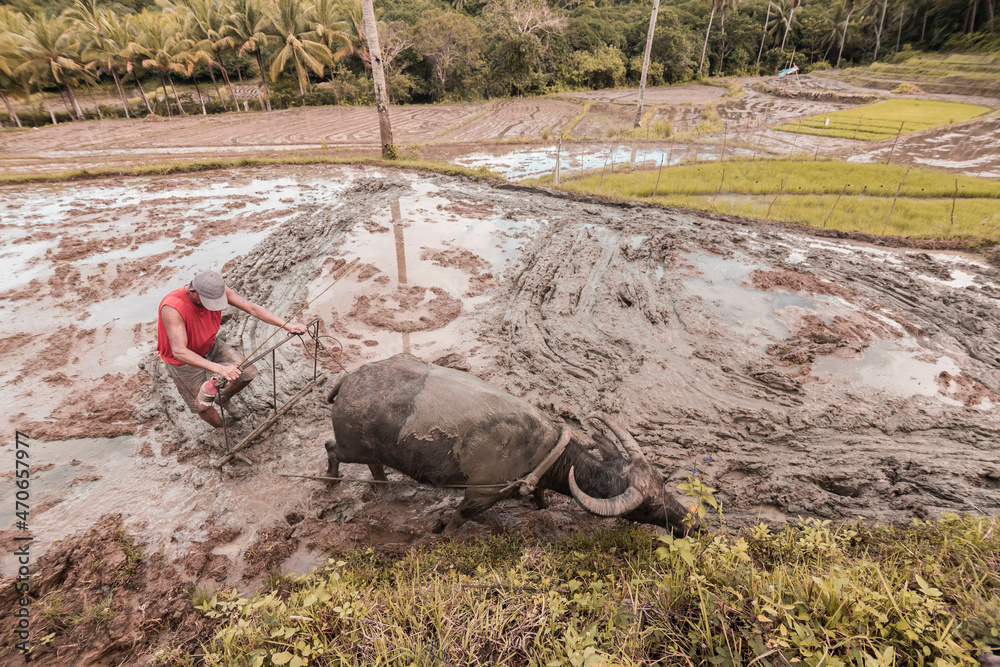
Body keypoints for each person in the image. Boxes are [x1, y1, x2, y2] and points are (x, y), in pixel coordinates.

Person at [156, 269, 307, 428]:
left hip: (210, 344)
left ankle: (224, 398)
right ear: (193, 291)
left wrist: (286, 325)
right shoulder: (173, 307)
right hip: (184, 361)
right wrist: (220, 369)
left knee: (248, 372)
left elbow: (252, 308)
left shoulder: (217, 290)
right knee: (203, 406)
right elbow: (179, 351)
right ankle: (223, 429)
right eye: (208, 302)